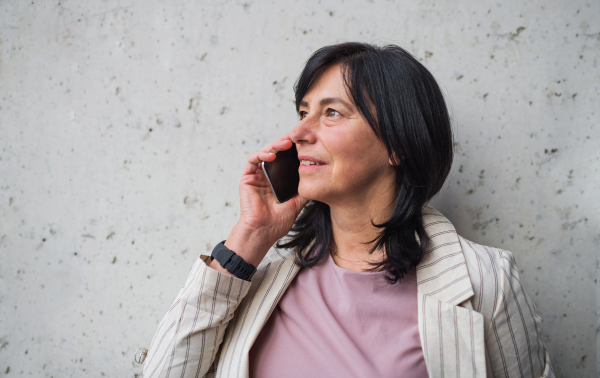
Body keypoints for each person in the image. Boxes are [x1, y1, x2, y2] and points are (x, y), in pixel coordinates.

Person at [136, 43, 554, 378]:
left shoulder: (486, 281)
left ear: (397, 145)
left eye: (331, 113)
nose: (298, 133)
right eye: (303, 112)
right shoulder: (258, 280)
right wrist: (248, 239)